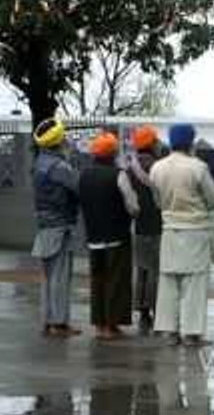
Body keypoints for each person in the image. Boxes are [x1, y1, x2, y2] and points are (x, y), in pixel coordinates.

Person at [150, 123, 214, 347]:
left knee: (169, 281)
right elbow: (213, 201)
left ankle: (168, 331)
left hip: (169, 229)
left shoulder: (157, 168)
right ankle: (192, 334)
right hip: (195, 231)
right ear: (191, 142)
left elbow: (157, 201)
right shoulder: (198, 167)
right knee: (194, 283)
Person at [79, 132, 140, 340]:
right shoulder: (118, 175)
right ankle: (111, 326)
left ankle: (99, 325)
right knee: (116, 280)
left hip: (94, 237)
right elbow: (132, 206)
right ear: (113, 153)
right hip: (117, 237)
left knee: (98, 281)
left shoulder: (84, 175)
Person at [30, 118, 82, 339]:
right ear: (59, 141)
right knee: (60, 278)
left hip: (45, 225)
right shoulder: (59, 166)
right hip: (60, 226)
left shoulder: (39, 162)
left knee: (49, 277)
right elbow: (78, 186)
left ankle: (48, 321)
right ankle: (58, 324)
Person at [127, 125, 164, 334]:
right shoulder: (158, 166)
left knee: (141, 269)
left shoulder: (131, 167)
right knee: (156, 271)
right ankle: (157, 310)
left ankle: (142, 313)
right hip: (158, 225)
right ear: (152, 144)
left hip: (138, 225)